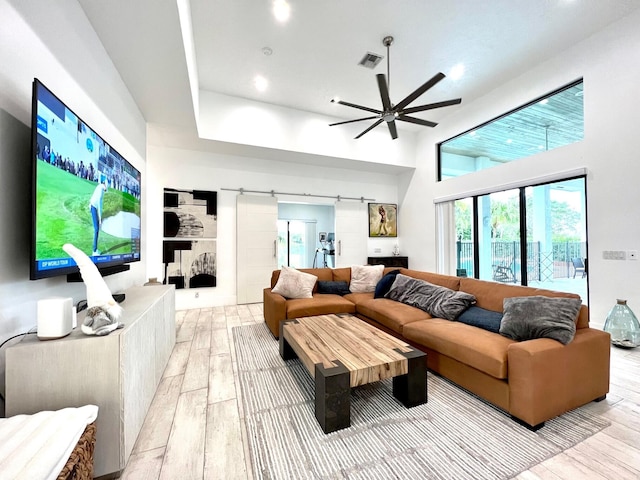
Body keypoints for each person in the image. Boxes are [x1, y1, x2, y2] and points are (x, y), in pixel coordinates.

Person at [89, 175, 108, 255]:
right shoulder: (100, 190)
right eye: (106, 188)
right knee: (96, 229)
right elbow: (99, 206)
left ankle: (95, 249)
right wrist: (100, 219)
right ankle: (94, 251)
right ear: (105, 185)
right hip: (94, 207)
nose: (106, 190)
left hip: (93, 206)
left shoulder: (99, 187)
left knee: (97, 229)